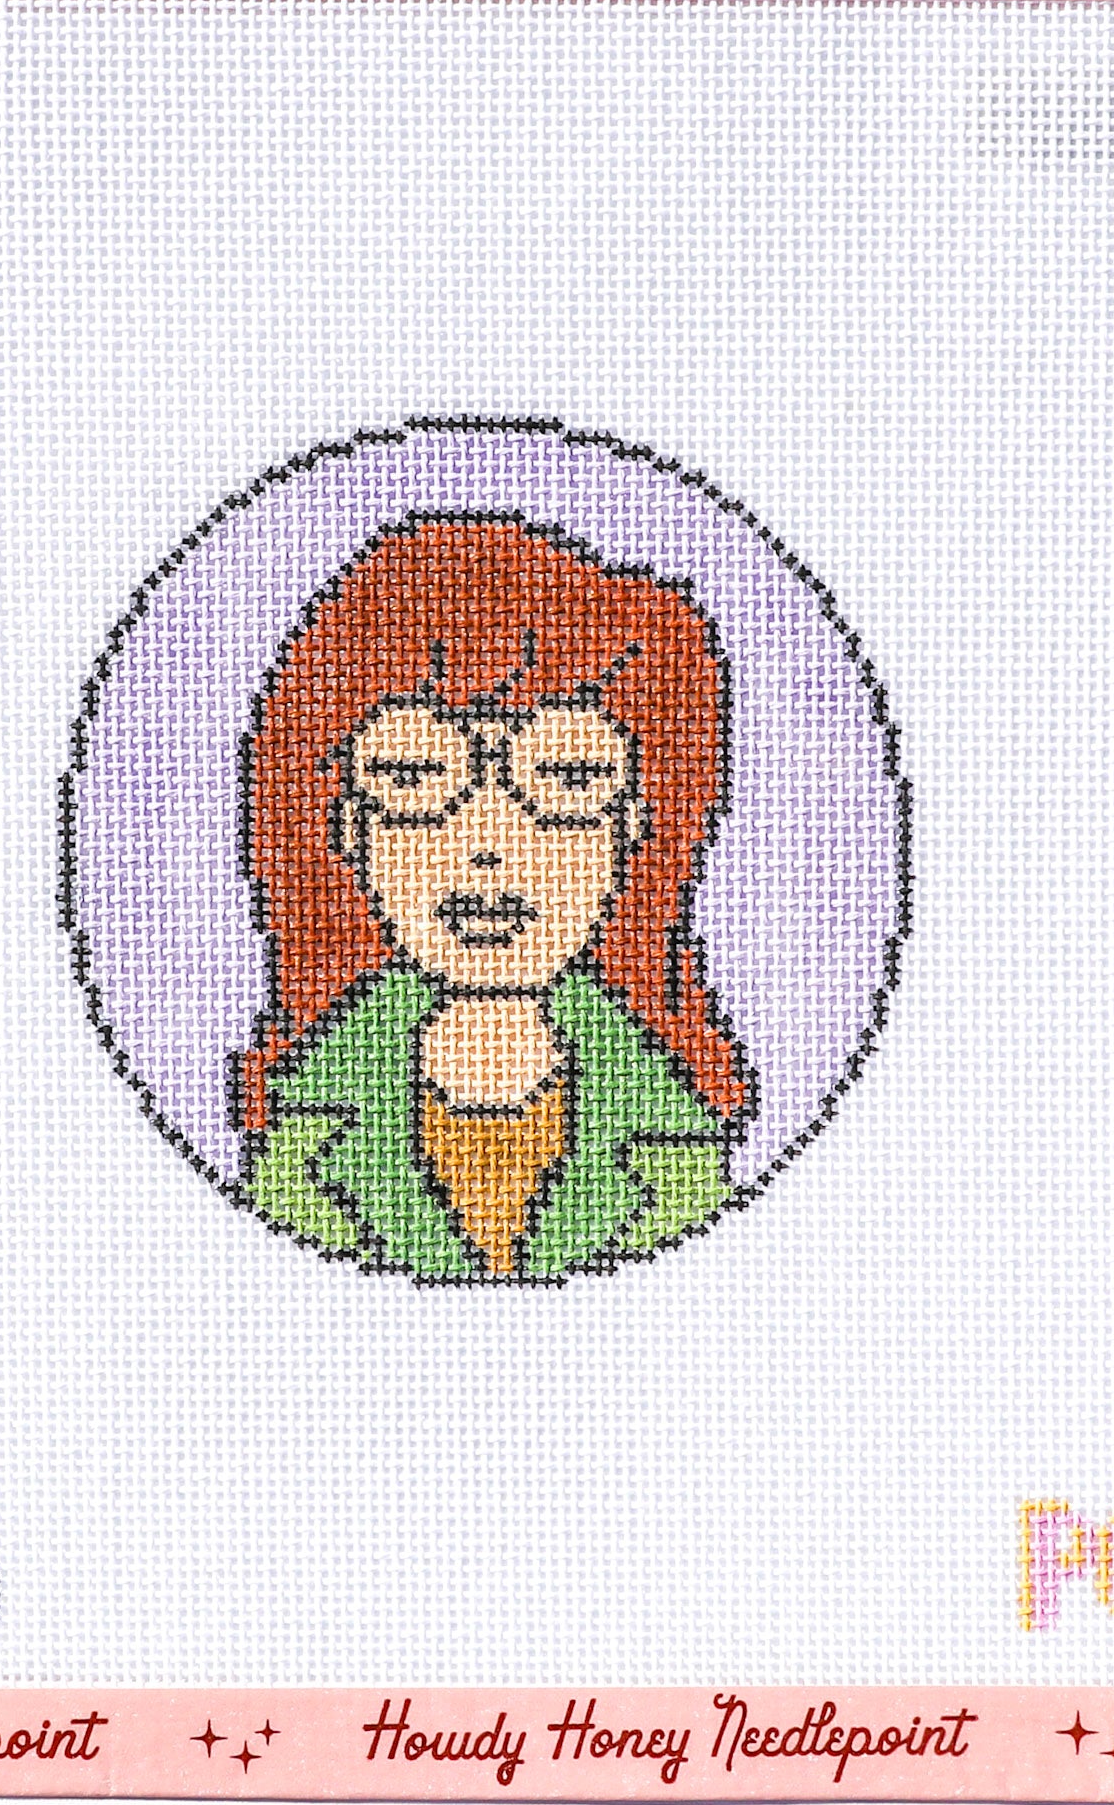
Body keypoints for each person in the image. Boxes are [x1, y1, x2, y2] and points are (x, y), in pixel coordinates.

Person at [234, 514, 753, 1280]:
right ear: (345, 823)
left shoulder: (673, 1128)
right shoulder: (302, 1122)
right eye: (414, 776)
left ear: (637, 826)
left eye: (568, 779)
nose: (488, 841)